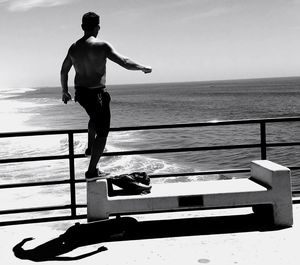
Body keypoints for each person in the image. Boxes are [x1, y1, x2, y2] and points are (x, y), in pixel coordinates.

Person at [60, 12, 152, 181]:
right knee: (102, 132)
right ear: (98, 27)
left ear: (82, 27)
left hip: (80, 93)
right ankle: (92, 171)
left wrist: (65, 91)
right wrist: (142, 67)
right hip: (96, 93)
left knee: (93, 117)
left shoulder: (73, 47)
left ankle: (89, 149)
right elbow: (124, 61)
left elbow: (64, 70)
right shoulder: (101, 46)